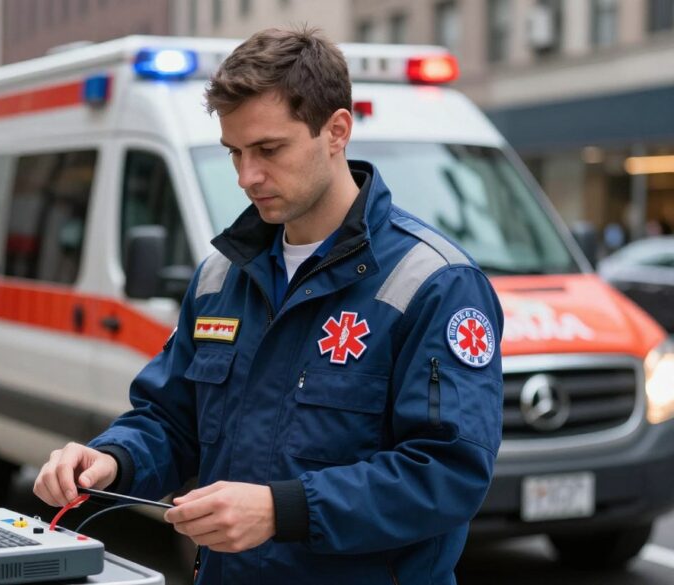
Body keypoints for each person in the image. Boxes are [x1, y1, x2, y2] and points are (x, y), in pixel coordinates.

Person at [34, 27, 504, 584]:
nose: (246, 175)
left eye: (269, 149)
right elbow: (172, 418)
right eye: (234, 152)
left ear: (336, 131)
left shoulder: (435, 283)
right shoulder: (222, 274)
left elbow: (447, 474)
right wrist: (113, 460)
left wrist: (283, 510)